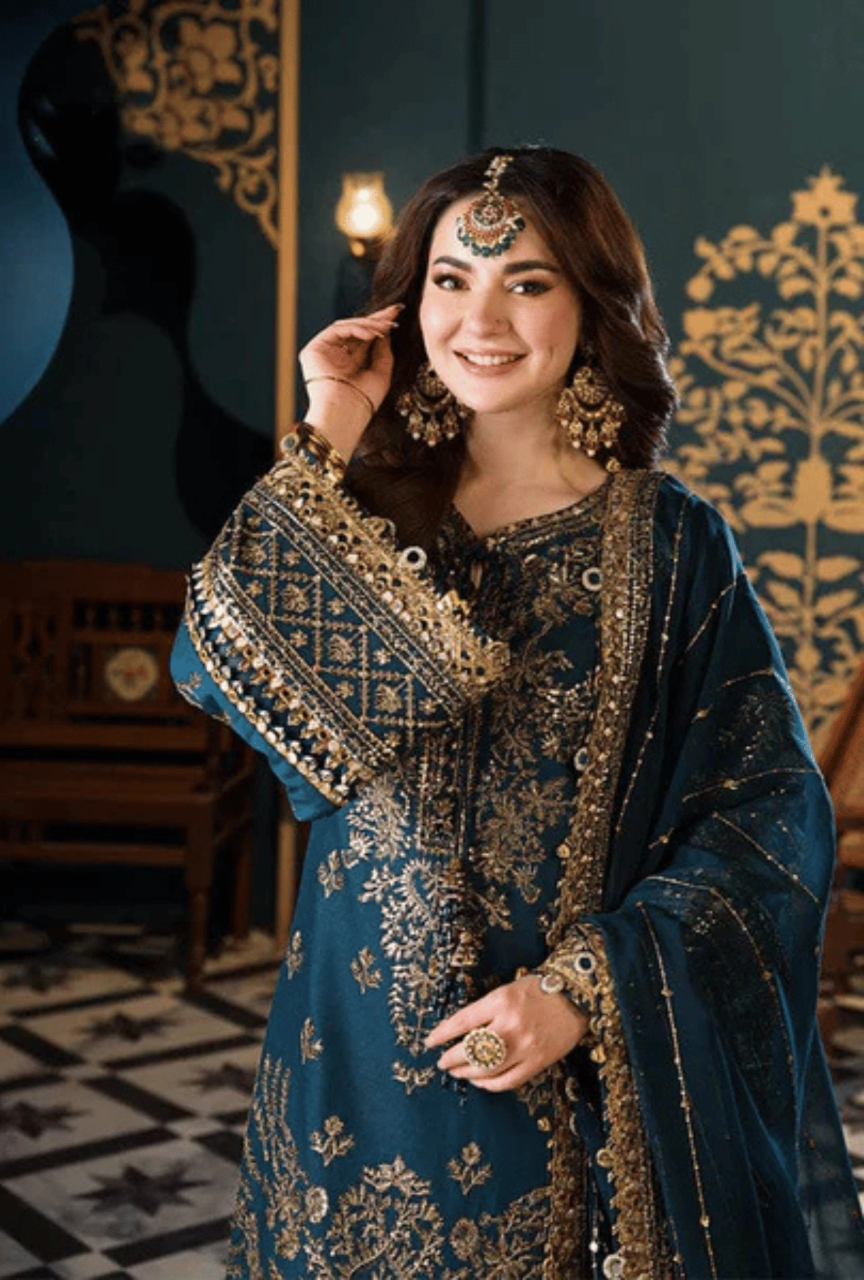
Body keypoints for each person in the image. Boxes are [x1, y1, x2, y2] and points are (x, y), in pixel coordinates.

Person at [171, 147, 864, 1279]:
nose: (480, 316)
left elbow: (768, 819)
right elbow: (210, 665)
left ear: (593, 304)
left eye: (527, 281)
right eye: (449, 278)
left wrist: (581, 992)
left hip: (558, 1068)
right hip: (348, 1044)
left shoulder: (672, 544)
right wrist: (334, 419)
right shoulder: (349, 505)